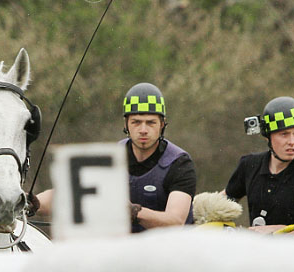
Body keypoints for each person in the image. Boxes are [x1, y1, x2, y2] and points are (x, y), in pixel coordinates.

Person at [31, 82, 197, 231]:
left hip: (170, 253)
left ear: (162, 124)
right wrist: (30, 203)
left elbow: (175, 221)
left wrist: (133, 212)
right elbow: (70, 194)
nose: (143, 130)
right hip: (120, 252)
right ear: (126, 124)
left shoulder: (179, 163)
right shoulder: (110, 158)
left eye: (151, 122)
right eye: (136, 122)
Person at [223, 96, 294, 237]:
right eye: (284, 134)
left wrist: (281, 231)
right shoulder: (250, 165)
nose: (292, 141)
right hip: (256, 256)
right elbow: (223, 203)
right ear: (267, 136)